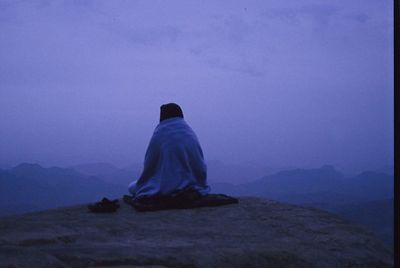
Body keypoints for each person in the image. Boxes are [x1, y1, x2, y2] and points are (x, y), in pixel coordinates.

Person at [128, 103, 210, 200]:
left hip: (165, 187)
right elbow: (200, 166)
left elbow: (149, 167)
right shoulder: (189, 132)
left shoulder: (160, 133)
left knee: (132, 187)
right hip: (195, 186)